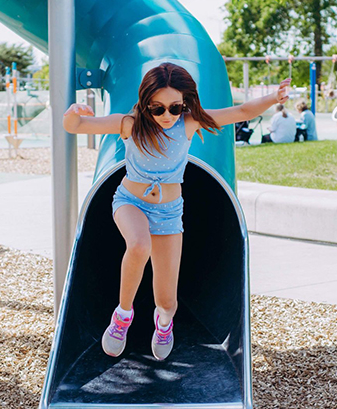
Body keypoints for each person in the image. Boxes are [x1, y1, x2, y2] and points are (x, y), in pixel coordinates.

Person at [63, 63, 289, 361]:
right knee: (139, 244)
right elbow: (75, 127)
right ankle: (122, 316)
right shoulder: (129, 124)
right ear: (146, 104)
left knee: (167, 299)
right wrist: (74, 111)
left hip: (169, 212)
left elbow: (242, 112)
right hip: (130, 201)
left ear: (184, 103)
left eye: (174, 107)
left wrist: (274, 97)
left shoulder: (189, 123)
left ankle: (164, 323)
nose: (166, 116)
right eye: (157, 109)